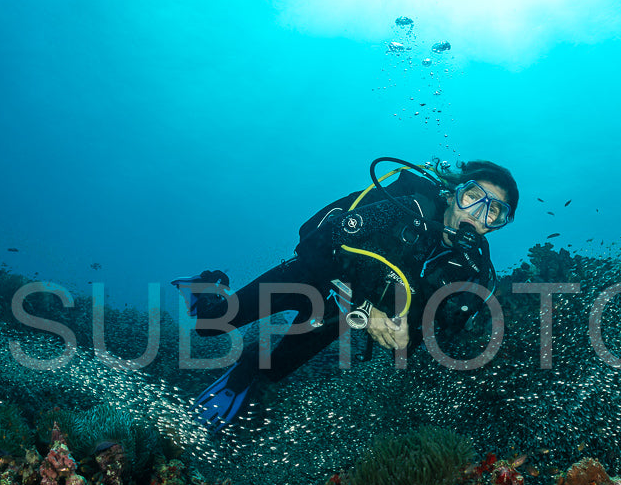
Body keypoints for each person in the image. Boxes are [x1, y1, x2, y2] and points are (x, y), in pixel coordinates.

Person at [172, 156, 519, 431]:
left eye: (494, 211)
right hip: (308, 274)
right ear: (451, 194)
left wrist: (405, 336)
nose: (477, 213)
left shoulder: (470, 270)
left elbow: (429, 332)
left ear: (498, 225)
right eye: (472, 196)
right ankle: (210, 285)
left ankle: (247, 364)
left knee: (274, 371)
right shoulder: (406, 208)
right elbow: (316, 242)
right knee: (209, 325)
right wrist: (370, 312)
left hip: (337, 313)